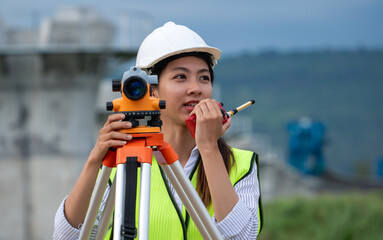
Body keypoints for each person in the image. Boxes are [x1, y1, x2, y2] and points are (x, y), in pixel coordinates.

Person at [53, 21, 262, 240]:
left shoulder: (241, 165)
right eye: (180, 77)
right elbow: (66, 237)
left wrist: (208, 147)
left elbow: (242, 237)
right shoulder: (121, 163)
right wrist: (95, 160)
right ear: (150, 91)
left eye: (204, 77)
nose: (196, 88)